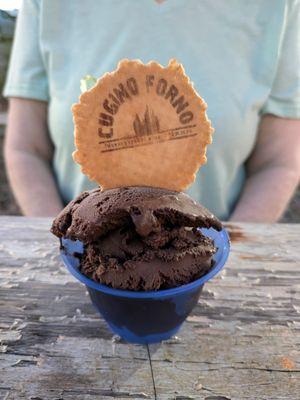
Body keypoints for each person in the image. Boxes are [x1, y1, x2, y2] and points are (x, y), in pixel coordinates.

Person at [3, 0, 300, 221]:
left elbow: (278, 162)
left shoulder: (278, 7)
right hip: (80, 254)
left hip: (211, 254)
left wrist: (226, 253)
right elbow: (26, 148)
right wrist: (62, 241)